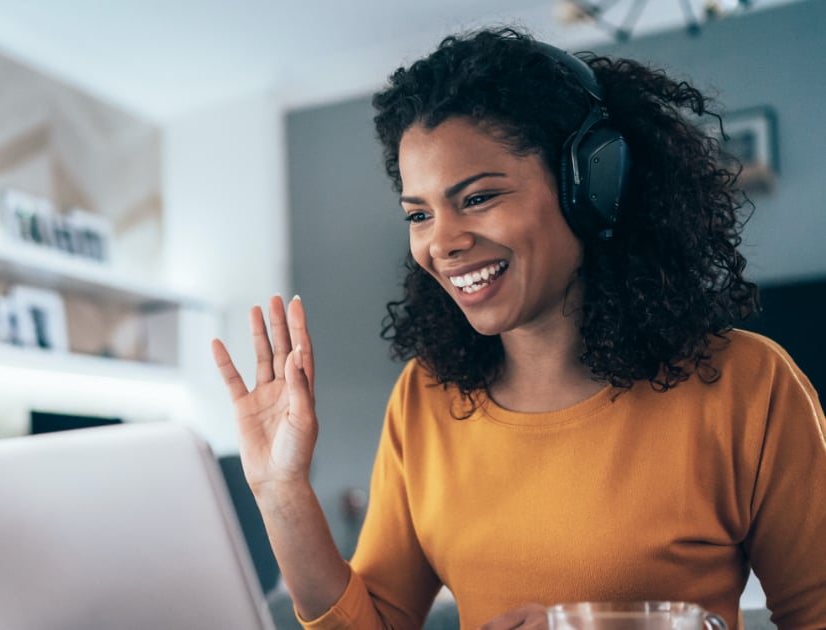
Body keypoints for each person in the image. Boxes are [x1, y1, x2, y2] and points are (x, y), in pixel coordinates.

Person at [211, 27, 826, 630]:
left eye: (477, 198)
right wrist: (281, 490)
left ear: (590, 185)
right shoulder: (425, 397)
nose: (443, 243)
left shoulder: (748, 386)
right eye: (420, 214)